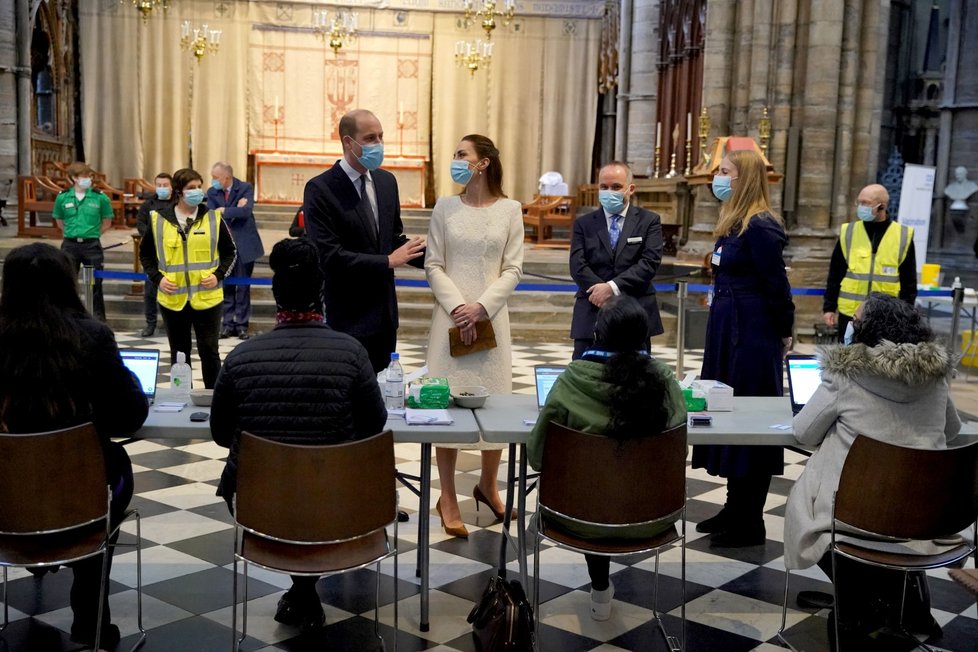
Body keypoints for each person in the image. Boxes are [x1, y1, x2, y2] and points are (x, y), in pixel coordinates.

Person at [211, 237, 387, 632]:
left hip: (261, 509)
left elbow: (222, 434)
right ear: (320, 294)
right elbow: (374, 424)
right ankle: (304, 588)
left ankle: (301, 590)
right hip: (338, 506)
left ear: (275, 298)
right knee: (320, 483)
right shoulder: (351, 352)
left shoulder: (241, 357)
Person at [784, 293, 959, 649]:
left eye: (857, 319)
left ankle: (864, 602)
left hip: (853, 515)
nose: (851, 325)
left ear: (868, 329)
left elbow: (804, 432)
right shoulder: (935, 376)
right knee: (883, 538)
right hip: (923, 516)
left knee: (812, 504)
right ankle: (890, 598)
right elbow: (952, 429)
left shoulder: (844, 375)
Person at [0, 243, 148, 651]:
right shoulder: (92, 336)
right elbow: (127, 418)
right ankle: (90, 617)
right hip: (84, 492)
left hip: (6, 497)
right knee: (107, 478)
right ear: (67, 282)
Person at [527, 296, 686, 621]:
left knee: (595, 495)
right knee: (612, 494)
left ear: (598, 335)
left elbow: (535, 455)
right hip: (652, 516)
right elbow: (678, 452)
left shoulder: (572, 380)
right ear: (644, 338)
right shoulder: (666, 382)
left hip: (577, 516)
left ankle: (599, 588)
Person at [691, 149, 795, 548]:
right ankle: (734, 507)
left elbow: (777, 286)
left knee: (750, 420)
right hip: (727, 331)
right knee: (728, 415)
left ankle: (751, 519)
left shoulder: (762, 226)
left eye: (724, 171)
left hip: (751, 336)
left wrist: (784, 331)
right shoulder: (734, 223)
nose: (718, 177)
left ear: (744, 177)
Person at [425, 134, 524, 538]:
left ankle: (488, 485)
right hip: (449, 319)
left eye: (462, 154)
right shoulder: (445, 207)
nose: (455, 161)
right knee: (446, 403)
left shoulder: (510, 209)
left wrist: (481, 307)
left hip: (491, 317)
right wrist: (458, 308)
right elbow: (433, 263)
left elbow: (513, 268)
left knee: (494, 403)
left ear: (483, 163)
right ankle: (447, 496)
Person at [303, 108, 426, 373]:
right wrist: (387, 261)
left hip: (384, 316)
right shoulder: (321, 188)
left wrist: (439, 256)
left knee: (381, 398)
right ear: (349, 142)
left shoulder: (386, 182)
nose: (379, 145)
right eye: (370, 138)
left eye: (381, 137)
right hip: (347, 315)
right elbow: (328, 255)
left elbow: (393, 240)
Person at [140, 168, 237, 389]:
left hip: (207, 298)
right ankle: (181, 397)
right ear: (179, 192)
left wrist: (218, 275)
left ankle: (214, 399)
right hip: (173, 298)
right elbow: (145, 255)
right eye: (191, 188)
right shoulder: (158, 220)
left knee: (209, 351)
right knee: (179, 353)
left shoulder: (213, 218)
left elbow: (230, 252)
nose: (197, 192)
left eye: (199, 187)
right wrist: (158, 279)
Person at [569, 161, 664, 359]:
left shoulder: (649, 221)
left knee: (634, 380)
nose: (609, 191)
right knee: (585, 376)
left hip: (635, 309)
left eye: (616, 187)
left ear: (630, 189)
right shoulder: (583, 223)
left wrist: (611, 288)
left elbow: (649, 262)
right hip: (592, 307)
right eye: (604, 187)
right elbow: (578, 265)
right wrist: (599, 291)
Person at [822, 183, 916, 342]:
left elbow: (909, 282)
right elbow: (835, 273)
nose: (860, 207)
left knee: (882, 362)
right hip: (851, 314)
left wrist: (906, 314)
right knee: (848, 360)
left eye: (866, 203)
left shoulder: (902, 235)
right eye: (859, 202)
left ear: (882, 206)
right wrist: (829, 307)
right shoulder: (849, 232)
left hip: (887, 315)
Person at [207, 162, 264, 340]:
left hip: (244, 244)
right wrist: (233, 209)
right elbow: (211, 213)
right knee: (227, 287)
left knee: (243, 287)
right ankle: (227, 324)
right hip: (223, 245)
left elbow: (246, 212)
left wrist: (224, 209)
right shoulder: (212, 192)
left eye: (216, 178)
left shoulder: (245, 187)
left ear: (228, 177)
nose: (213, 181)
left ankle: (241, 325)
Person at [52, 161, 114, 321]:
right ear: (73, 178)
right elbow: (59, 220)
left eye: (89, 176)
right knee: (67, 282)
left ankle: (98, 319)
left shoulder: (100, 198)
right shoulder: (63, 197)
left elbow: (107, 221)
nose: (88, 179)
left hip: (91, 245)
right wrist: (70, 232)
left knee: (95, 284)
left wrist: (93, 233)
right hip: (70, 244)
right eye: (84, 176)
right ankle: (68, 317)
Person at [135, 172, 174, 337]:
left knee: (173, 289)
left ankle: (172, 324)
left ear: (172, 186)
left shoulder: (178, 203)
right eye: (159, 185)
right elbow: (140, 223)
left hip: (174, 253)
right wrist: (153, 237)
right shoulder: (148, 204)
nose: (162, 188)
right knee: (150, 291)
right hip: (153, 253)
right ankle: (150, 323)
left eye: (165, 185)